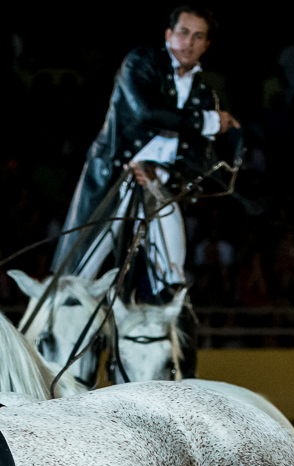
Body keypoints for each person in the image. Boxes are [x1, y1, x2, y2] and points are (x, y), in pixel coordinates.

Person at [52, 5, 240, 295]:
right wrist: (208, 121)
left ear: (207, 44)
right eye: (183, 33)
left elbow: (195, 159)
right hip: (115, 180)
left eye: (198, 36)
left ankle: (170, 328)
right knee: (77, 276)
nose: (188, 42)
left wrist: (163, 173)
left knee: (173, 281)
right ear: (169, 35)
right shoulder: (141, 62)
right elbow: (145, 112)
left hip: (157, 187)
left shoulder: (205, 94)